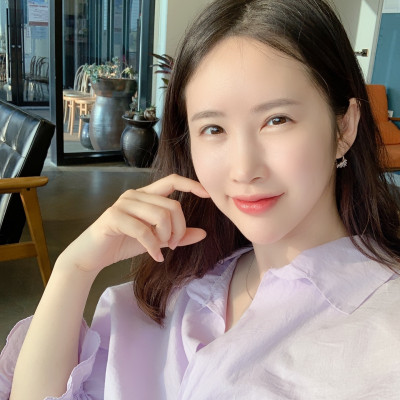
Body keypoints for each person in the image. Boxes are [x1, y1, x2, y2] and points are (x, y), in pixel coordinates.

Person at [2, 0, 400, 398]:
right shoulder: (173, 294)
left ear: (344, 127)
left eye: (277, 120)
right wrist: (74, 268)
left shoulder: (384, 336)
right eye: (213, 128)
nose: (243, 169)